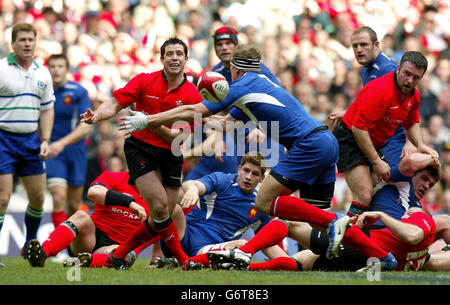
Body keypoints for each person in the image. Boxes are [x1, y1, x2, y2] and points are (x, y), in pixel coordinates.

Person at [119, 44, 342, 251]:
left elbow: (194, 110)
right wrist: (198, 120)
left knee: (264, 200)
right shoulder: (261, 81)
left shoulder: (241, 86)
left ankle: (334, 222)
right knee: (319, 219)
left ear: (234, 67)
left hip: (308, 144)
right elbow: (224, 124)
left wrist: (149, 120)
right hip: (326, 140)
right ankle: (366, 252)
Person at [80, 37, 203, 269]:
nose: (174, 57)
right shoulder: (145, 81)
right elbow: (115, 104)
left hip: (171, 151)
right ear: (162, 59)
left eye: (179, 54)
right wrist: (97, 115)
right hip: (141, 148)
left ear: (186, 59)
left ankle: (119, 254)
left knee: (164, 213)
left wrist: (151, 123)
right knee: (158, 207)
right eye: (170, 54)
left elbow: (180, 137)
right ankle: (184, 261)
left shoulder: (192, 96)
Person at [332, 50, 439, 217]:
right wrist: (376, 161)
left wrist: (421, 145)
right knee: (364, 196)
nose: (410, 80)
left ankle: (360, 232)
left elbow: (411, 123)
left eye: (416, 77)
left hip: (373, 142)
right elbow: (358, 129)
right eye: (406, 73)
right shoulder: (380, 90)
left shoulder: (413, 96)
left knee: (382, 185)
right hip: (351, 138)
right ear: (398, 69)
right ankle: (343, 238)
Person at [209, 207, 435, 272]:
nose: (405, 216)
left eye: (408, 215)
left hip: (361, 249)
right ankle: (246, 268)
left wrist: (384, 216)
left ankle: (245, 251)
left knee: (289, 224)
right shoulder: (428, 257)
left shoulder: (424, 220)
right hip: (363, 264)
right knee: (301, 263)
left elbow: (412, 234)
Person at [0, 23, 55, 267]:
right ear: (13, 44)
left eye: (30, 40)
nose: (26, 44)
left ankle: (30, 243)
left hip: (31, 140)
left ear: (35, 42)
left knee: (37, 198)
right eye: (22, 39)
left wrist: (45, 139)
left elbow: (47, 109)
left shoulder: (42, 72)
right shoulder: (1, 69)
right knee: (3, 198)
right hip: (3, 138)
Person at [24, 170, 148, 267]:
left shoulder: (155, 197)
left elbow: (158, 229)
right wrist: (129, 203)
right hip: (91, 236)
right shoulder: (113, 176)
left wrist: (148, 258)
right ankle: (43, 253)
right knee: (81, 215)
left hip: (116, 246)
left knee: (117, 252)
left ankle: (82, 262)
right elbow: (93, 192)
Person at [46, 53, 92, 228]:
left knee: (74, 204)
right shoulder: (43, 92)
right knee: (58, 196)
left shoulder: (78, 92)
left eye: (60, 66)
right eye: (53, 66)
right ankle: (58, 250)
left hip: (76, 151)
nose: (56, 70)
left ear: (66, 69)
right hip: (53, 153)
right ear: (48, 69)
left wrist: (62, 143)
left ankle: (72, 246)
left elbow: (86, 125)